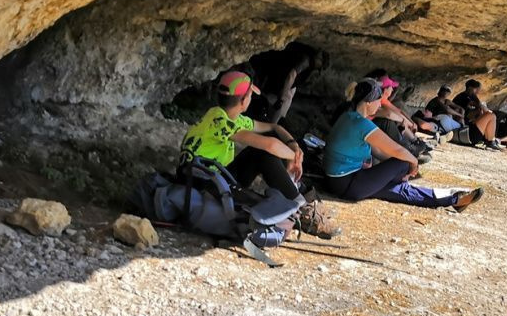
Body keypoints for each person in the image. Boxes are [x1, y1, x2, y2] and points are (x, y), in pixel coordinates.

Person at [180, 70, 339, 237]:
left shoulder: (227, 116)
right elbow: (270, 145)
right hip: (202, 184)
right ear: (243, 100)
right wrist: (295, 157)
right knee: (262, 153)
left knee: (270, 145)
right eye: (250, 95)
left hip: (211, 176)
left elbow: (274, 127)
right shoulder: (219, 121)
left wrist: (295, 147)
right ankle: (301, 207)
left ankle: (298, 199)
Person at [322, 78, 483, 211]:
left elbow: (377, 151)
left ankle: (453, 199)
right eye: (379, 101)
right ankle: (406, 180)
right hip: (349, 184)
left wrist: (390, 171)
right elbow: (398, 150)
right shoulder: (361, 124)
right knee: (403, 161)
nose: (380, 105)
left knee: (401, 191)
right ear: (369, 102)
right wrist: (412, 164)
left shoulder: (349, 117)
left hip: (340, 182)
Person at [246, 41, 327, 124]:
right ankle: (272, 125)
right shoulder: (306, 60)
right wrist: (281, 99)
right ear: (319, 58)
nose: (317, 68)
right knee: (282, 99)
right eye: (319, 66)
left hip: (283, 80)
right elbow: (291, 76)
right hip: (273, 71)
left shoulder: (309, 62)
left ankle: (275, 122)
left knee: (288, 97)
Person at [364, 69, 434, 162]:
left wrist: (410, 123)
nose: (392, 89)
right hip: (369, 132)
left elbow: (398, 112)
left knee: (394, 118)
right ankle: (409, 148)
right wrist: (404, 122)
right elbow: (388, 113)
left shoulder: (379, 100)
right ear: (384, 90)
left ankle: (412, 146)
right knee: (387, 121)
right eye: (390, 87)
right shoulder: (374, 102)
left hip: (371, 132)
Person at [452, 79, 502, 150]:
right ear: (470, 88)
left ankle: (489, 140)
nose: (477, 92)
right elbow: (476, 109)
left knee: (489, 115)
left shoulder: (472, 96)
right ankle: (490, 141)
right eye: (476, 89)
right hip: (464, 130)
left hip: (469, 130)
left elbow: (479, 110)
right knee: (491, 116)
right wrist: (482, 108)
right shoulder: (463, 97)